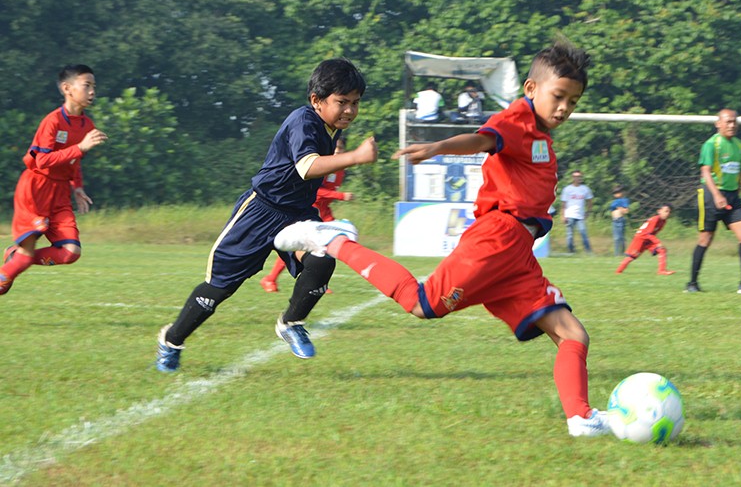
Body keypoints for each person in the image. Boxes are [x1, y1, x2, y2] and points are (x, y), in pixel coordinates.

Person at [273, 40, 612, 437]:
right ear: (531, 89)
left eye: (572, 101)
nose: (564, 108)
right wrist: (437, 147)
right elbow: (483, 139)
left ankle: (580, 418)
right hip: (498, 240)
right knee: (422, 304)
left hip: (518, 255)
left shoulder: (541, 135)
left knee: (573, 334)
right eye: (558, 96)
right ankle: (332, 241)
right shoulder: (517, 120)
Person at [154, 59, 377, 372]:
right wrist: (355, 158)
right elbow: (306, 166)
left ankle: (291, 322)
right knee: (219, 289)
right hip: (260, 212)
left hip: (297, 214)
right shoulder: (303, 120)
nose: (350, 111)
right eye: (342, 102)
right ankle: (172, 340)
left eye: (355, 103)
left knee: (323, 257)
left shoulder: (329, 128)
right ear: (316, 100)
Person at [1, 65, 108, 296]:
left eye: (94, 87)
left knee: (71, 253)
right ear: (67, 88)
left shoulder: (87, 126)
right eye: (87, 85)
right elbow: (41, 161)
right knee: (27, 255)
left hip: (60, 194)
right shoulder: (52, 121)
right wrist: (79, 147)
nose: (92, 92)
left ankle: (14, 255)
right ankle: (12, 266)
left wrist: (77, 187)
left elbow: (74, 161)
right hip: (35, 189)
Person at [259, 135, 354, 293]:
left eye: (341, 149)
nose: (338, 152)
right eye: (335, 149)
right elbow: (318, 192)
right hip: (309, 208)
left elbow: (328, 192)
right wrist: (341, 196)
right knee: (297, 244)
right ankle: (270, 278)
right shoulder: (323, 166)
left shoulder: (340, 171)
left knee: (329, 243)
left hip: (324, 211)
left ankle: (319, 282)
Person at [685, 108, 741, 294]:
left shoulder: (739, 145)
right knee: (705, 239)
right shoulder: (711, 144)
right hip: (710, 194)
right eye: (728, 122)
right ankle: (692, 283)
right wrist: (717, 195)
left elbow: (738, 170)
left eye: (734, 121)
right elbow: (706, 171)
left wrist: (739, 189)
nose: (732, 125)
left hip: (732, 195)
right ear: (718, 124)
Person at [615, 204, 676, 275]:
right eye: (666, 211)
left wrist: (655, 244)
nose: (667, 213)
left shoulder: (663, 221)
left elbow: (651, 234)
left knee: (662, 250)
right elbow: (648, 233)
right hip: (640, 238)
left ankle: (661, 271)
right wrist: (657, 242)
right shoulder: (655, 219)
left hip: (648, 239)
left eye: (669, 212)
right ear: (659, 211)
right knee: (632, 257)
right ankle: (618, 271)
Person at [560, 170, 594, 254]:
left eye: (579, 176)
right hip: (570, 215)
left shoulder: (585, 189)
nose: (578, 178)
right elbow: (563, 204)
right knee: (570, 235)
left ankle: (588, 251)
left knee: (583, 233)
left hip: (580, 216)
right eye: (576, 176)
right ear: (573, 178)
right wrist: (563, 215)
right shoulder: (567, 189)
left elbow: (590, 201)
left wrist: (588, 211)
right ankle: (571, 251)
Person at [609, 186, 631, 256]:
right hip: (614, 221)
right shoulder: (614, 201)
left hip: (620, 220)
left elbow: (626, 211)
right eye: (615, 193)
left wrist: (620, 208)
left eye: (618, 192)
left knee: (620, 237)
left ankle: (622, 252)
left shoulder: (624, 200)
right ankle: (617, 253)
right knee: (616, 238)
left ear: (622, 192)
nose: (616, 194)